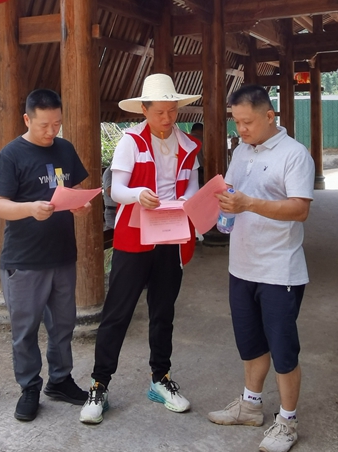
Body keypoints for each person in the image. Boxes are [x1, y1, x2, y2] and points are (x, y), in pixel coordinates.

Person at [79, 73, 202, 424]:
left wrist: (188, 200)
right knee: (118, 312)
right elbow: (116, 189)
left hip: (172, 234)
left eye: (172, 111)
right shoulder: (131, 141)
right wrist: (137, 194)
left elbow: (193, 187)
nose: (167, 118)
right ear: (144, 110)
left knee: (163, 311)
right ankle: (99, 384)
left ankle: (160, 378)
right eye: (159, 112)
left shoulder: (189, 144)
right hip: (134, 235)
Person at [208, 85, 314, 452]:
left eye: (248, 122)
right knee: (250, 343)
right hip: (242, 266)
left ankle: (287, 421)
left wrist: (249, 203)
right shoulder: (241, 151)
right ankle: (250, 405)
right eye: (236, 122)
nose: (241, 129)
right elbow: (230, 191)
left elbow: (300, 208)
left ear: (270, 116)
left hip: (279, 270)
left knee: (283, 349)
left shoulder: (294, 154)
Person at [0, 88, 91, 422]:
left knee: (63, 324)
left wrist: (80, 204)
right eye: (44, 125)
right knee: (25, 329)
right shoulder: (11, 155)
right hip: (25, 259)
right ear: (27, 119)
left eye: (57, 123)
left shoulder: (65, 149)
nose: (51, 131)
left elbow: (73, 189)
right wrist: (30, 208)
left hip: (62, 254)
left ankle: (60, 380)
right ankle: (29, 386)